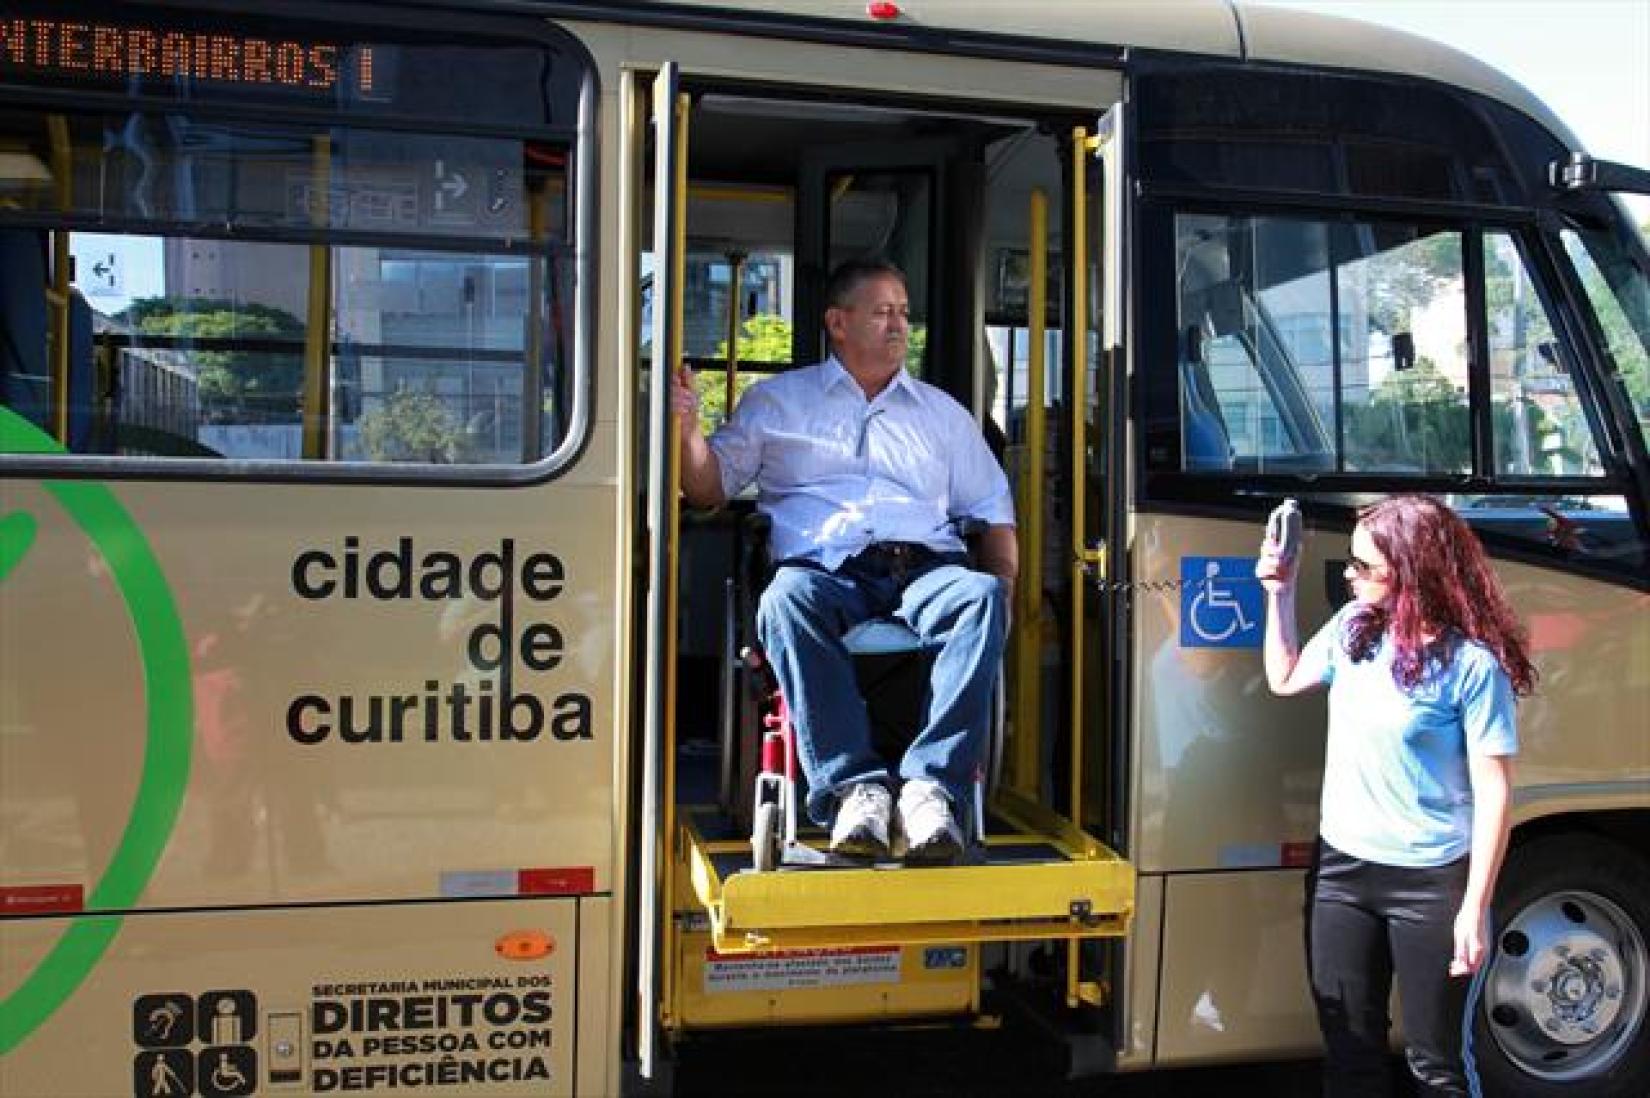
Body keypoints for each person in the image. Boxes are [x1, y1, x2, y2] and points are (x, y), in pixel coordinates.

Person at [673, 258, 1017, 864]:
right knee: (784, 599)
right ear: (838, 321)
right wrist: (685, 430)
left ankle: (931, 788)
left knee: (982, 597)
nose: (898, 326)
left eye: (904, 313)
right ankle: (854, 788)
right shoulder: (778, 401)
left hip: (925, 568)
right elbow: (708, 488)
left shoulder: (942, 413)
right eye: (883, 311)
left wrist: (1008, 582)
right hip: (825, 570)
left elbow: (992, 506)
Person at [1256, 494, 1536, 1097]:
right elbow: (1283, 679)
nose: (1349, 576)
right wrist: (1279, 591)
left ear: (1412, 570)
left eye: (1363, 567)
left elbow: (1495, 797)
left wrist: (1473, 908)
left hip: (1433, 881)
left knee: (1436, 1067)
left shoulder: (1472, 666)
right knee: (1350, 1056)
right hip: (1341, 872)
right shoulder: (1353, 629)